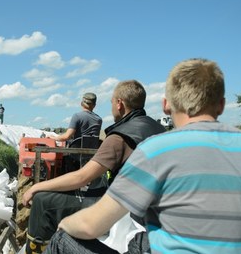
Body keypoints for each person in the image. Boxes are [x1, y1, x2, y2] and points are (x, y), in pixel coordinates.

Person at [49, 59, 241, 254]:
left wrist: (64, 223)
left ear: (166, 105)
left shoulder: (157, 150)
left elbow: (92, 225)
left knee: (62, 239)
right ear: (222, 105)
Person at [22, 84, 166, 254]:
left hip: (123, 206)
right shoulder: (160, 130)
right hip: (147, 207)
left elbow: (81, 178)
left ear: (119, 103)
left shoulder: (120, 137)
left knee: (42, 201)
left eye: (112, 102)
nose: (111, 107)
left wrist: (36, 187)